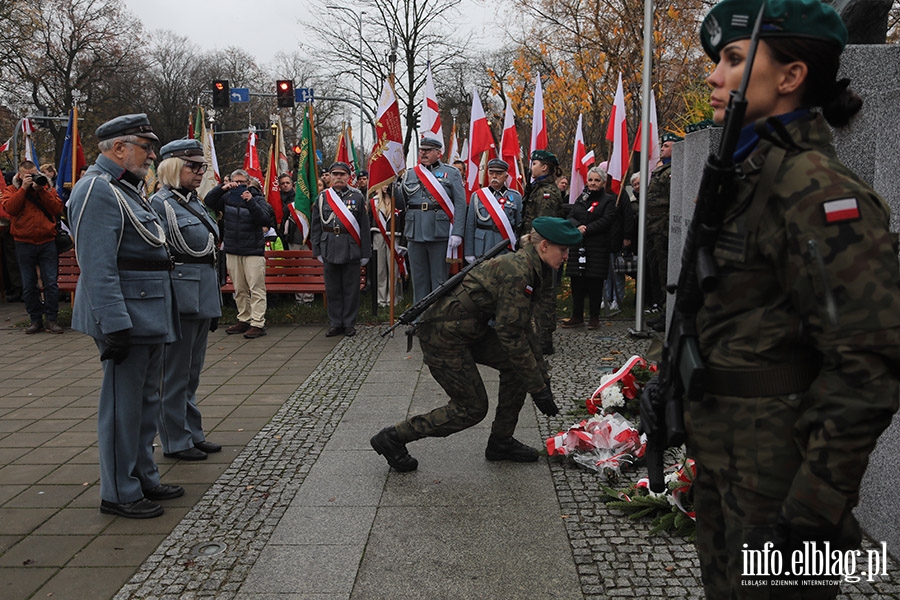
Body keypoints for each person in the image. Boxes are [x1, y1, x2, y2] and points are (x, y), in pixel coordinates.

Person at [685, 0, 900, 596]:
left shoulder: (815, 188)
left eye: (732, 58)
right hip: (734, 463)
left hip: (780, 484)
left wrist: (812, 512)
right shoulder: (748, 173)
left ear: (790, 76)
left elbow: (869, 362)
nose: (713, 75)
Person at [370, 216, 582, 472]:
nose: (567, 255)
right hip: (443, 335)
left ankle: (501, 442)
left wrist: (540, 376)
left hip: (468, 329)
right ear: (545, 246)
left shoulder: (535, 267)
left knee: (517, 369)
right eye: (563, 249)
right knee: (471, 408)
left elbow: (525, 326)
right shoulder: (518, 271)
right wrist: (537, 388)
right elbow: (511, 334)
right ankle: (393, 437)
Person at [67, 113, 182, 519]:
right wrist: (114, 324)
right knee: (122, 408)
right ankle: (118, 491)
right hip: (126, 316)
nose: (152, 154)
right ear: (118, 148)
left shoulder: (126, 189)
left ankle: (142, 476)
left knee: (145, 404)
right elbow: (97, 265)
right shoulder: (97, 190)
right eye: (145, 147)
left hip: (147, 310)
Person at [149, 139, 222, 461]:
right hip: (180, 299)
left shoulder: (193, 202)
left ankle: (191, 433)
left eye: (201, 166)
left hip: (202, 295)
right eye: (193, 166)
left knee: (191, 374)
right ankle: (175, 441)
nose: (199, 171)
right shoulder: (160, 204)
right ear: (173, 167)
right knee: (174, 376)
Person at [395, 135, 466, 304]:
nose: (424, 153)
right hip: (415, 232)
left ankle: (436, 319)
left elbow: (461, 205)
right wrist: (392, 188)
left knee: (439, 280)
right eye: (422, 150)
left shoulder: (451, 173)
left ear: (438, 153)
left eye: (428, 150)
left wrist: (457, 232)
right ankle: (419, 318)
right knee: (418, 280)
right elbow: (401, 203)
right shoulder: (410, 174)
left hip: (439, 233)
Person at [204, 169, 272, 339]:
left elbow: (265, 220)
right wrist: (223, 188)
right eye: (237, 182)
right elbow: (209, 201)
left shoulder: (257, 199)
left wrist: (250, 202)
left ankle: (257, 323)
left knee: (256, 287)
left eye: (243, 183)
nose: (240, 186)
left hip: (253, 250)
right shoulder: (227, 198)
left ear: (248, 183)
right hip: (233, 249)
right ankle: (244, 318)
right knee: (240, 288)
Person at [0, 160, 65, 333]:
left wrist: (40, 190)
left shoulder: (46, 188)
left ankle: (52, 319)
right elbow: (10, 209)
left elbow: (57, 208)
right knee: (28, 285)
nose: (31, 177)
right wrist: (23, 189)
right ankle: (35, 320)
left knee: (51, 283)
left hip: (47, 242)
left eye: (34, 173)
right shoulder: (12, 190)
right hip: (23, 242)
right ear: (19, 175)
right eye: (27, 175)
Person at [311, 161, 371, 337]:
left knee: (351, 288)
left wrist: (365, 253)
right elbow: (316, 226)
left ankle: (349, 323)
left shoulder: (357, 197)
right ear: (330, 177)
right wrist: (317, 250)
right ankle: (336, 322)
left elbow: (364, 227)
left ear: (348, 177)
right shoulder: (322, 197)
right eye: (335, 174)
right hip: (329, 246)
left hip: (350, 247)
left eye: (342, 174)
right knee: (333, 288)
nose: (338, 177)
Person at [561, 166, 616, 330]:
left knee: (594, 283)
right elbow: (571, 215)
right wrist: (578, 226)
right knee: (576, 281)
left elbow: (607, 219)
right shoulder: (582, 197)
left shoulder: (608, 200)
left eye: (596, 180)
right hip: (578, 245)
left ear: (603, 183)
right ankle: (577, 316)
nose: (592, 183)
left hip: (597, 246)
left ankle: (594, 317)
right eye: (590, 180)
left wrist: (588, 229)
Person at [521, 149, 564, 354]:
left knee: (544, 294)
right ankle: (537, 336)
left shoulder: (547, 192)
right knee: (536, 292)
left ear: (544, 167)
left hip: (542, 250)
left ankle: (544, 339)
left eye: (535, 164)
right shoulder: (538, 188)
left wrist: (536, 247)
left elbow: (544, 225)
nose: (532, 167)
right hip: (535, 248)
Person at [644, 132, 681, 324]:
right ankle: (663, 311)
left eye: (667, 145)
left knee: (666, 270)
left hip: (664, 227)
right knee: (658, 270)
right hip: (655, 227)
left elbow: (673, 201)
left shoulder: (673, 170)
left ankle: (668, 314)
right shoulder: (662, 169)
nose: (663, 149)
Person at [464, 158, 522, 262]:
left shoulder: (516, 197)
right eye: (491, 173)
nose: (494, 176)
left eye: (499, 173)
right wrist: (469, 252)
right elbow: (470, 227)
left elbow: (519, 226)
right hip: (483, 246)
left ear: (506, 176)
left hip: (506, 247)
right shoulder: (477, 196)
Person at [369, 187, 404, 308]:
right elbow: (368, 221)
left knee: (393, 269)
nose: (385, 187)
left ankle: (392, 298)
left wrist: (403, 243)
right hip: (378, 236)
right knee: (380, 269)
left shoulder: (399, 200)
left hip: (395, 237)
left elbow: (404, 221)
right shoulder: (373, 201)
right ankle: (381, 299)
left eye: (388, 184)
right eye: (382, 184)